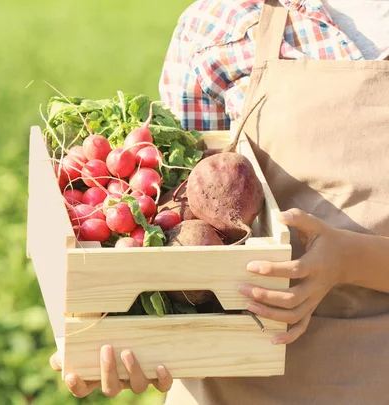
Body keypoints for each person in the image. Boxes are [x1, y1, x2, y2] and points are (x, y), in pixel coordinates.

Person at [50, 0, 389, 402]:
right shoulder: (218, 25)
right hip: (225, 385)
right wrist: (119, 331)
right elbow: (179, 211)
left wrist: (353, 259)